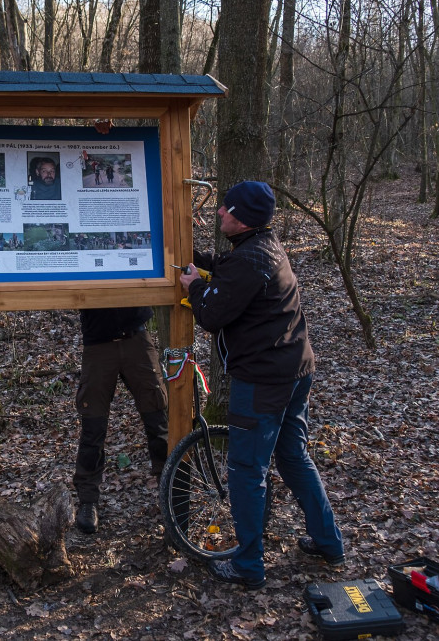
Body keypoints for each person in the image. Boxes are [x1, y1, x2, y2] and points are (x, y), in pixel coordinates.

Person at [179, 181, 344, 589]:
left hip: (264, 381)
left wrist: (194, 286)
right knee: (293, 457)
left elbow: (213, 313)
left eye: (225, 209)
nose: (218, 212)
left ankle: (249, 565)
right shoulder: (263, 246)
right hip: (295, 371)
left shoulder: (250, 259)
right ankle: (329, 543)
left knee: (246, 469)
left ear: (244, 218)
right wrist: (197, 262)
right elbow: (230, 269)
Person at [73, 307, 169, 533]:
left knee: (157, 418)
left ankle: (169, 489)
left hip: (136, 336)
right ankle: (88, 501)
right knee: (93, 426)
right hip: (98, 341)